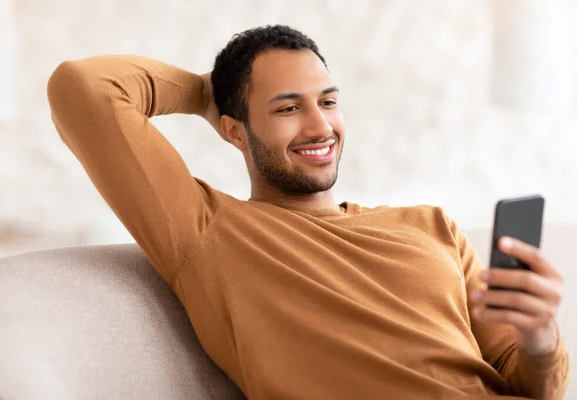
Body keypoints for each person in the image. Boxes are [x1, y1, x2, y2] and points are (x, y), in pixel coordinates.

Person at [47, 25, 568, 400]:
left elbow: (530, 383)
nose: (320, 127)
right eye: (287, 107)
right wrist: (207, 92)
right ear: (234, 130)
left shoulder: (432, 226)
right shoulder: (207, 231)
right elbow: (84, 87)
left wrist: (541, 339)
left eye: (329, 101)